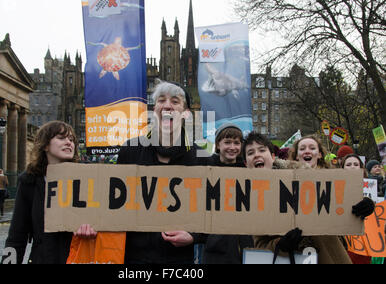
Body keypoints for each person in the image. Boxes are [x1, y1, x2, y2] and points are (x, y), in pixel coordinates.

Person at [243, 132, 374, 264]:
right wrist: (280, 244)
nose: (257, 155)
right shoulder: (248, 197)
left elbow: (342, 208)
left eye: (261, 150)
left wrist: (363, 205)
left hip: (328, 256)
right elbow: (259, 245)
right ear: (245, 163)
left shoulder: (310, 180)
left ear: (272, 156)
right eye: (250, 153)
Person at [117, 80, 206, 264]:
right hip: (134, 260)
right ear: (154, 109)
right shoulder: (130, 151)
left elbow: (215, 210)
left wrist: (194, 236)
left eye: (175, 101)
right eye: (161, 100)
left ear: (186, 113)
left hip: (179, 262)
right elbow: (113, 201)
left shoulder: (201, 157)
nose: (167, 106)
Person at [3, 121, 94, 264]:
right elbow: (16, 236)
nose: (68, 143)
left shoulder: (88, 178)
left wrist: (93, 227)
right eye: (61, 138)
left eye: (71, 140)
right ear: (45, 145)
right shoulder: (29, 182)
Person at [202, 123, 254, 264]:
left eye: (237, 143)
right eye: (227, 142)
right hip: (215, 246)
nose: (232, 147)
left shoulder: (248, 168)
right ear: (218, 145)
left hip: (244, 244)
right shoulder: (205, 166)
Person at [341, 154, 372, 264]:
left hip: (365, 245)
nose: (352, 167)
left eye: (356, 164)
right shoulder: (336, 189)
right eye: (348, 164)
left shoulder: (372, 189)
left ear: (362, 169)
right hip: (344, 244)